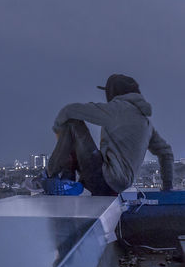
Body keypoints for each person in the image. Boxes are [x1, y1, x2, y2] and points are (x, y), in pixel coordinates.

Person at [34, 74, 174, 196]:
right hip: (116, 187)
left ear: (113, 93)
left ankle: (51, 175)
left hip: (103, 178)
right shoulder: (146, 123)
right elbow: (166, 153)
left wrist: (59, 132)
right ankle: (66, 183)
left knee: (72, 124)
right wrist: (167, 186)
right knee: (78, 141)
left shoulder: (118, 110)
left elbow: (69, 110)